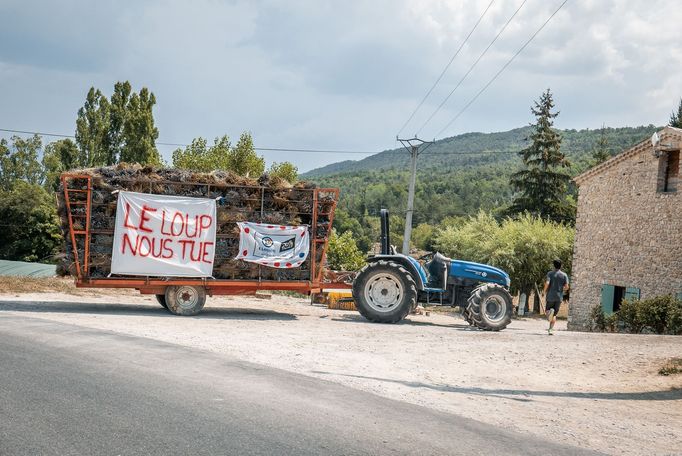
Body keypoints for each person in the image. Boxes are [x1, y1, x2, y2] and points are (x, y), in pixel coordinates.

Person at [543, 259, 569, 335]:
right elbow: (567, 287)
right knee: (554, 315)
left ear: (554, 265)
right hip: (559, 297)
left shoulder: (550, 273)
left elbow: (547, 283)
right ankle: (550, 329)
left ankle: (550, 312)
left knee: (547, 311)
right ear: (561, 266)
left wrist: (544, 291)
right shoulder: (564, 275)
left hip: (550, 296)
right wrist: (562, 289)